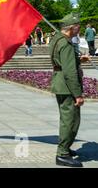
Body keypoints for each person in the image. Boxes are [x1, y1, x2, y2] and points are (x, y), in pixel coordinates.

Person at [49, 13, 90, 168]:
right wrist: (77, 94)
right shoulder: (65, 43)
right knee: (71, 121)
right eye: (78, 25)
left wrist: (79, 59)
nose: (79, 28)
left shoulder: (57, 39)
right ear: (72, 27)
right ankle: (62, 154)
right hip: (67, 87)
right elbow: (70, 72)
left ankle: (65, 148)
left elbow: (63, 62)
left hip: (60, 83)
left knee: (66, 119)